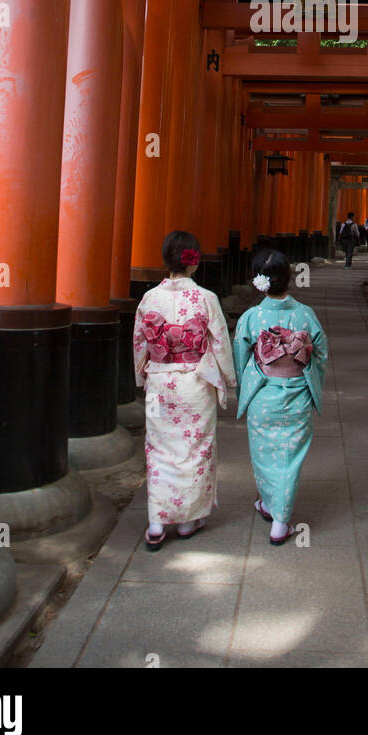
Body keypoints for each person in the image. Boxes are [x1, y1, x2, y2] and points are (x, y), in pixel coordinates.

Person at [133, 229, 236, 551]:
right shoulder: (206, 299)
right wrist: (229, 381)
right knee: (195, 449)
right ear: (194, 262)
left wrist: (141, 377)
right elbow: (219, 343)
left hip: (160, 384)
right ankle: (189, 520)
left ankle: (156, 520)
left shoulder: (150, 299)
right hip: (194, 383)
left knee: (158, 448)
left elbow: (140, 343)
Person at [233, 248, 328, 545]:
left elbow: (240, 357)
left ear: (257, 281)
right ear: (289, 278)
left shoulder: (251, 317)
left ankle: (273, 508)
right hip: (297, 393)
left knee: (263, 454)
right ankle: (280, 519)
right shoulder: (305, 315)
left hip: (263, 395)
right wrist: (310, 376)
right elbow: (321, 354)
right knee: (290, 457)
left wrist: (246, 384)